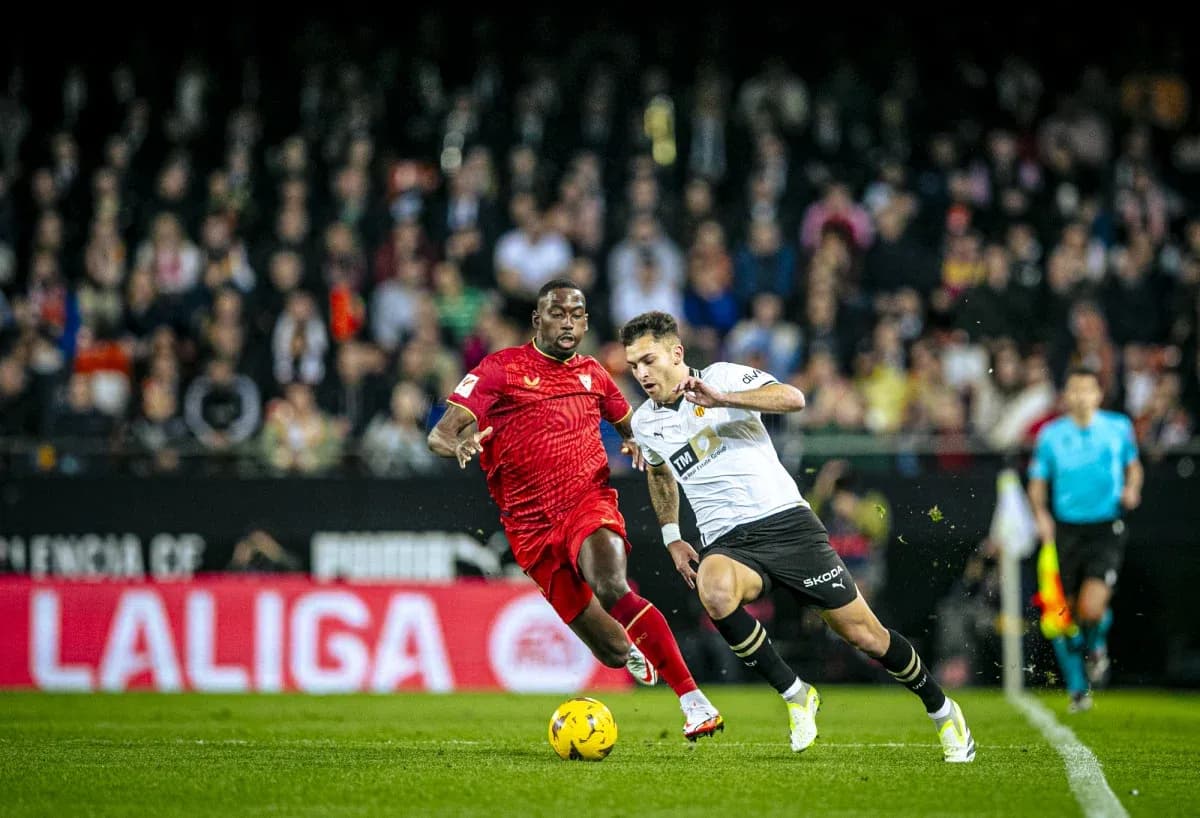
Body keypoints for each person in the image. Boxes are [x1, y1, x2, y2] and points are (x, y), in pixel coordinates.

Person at [620, 310, 974, 762]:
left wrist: (724, 397)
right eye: (633, 366)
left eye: (649, 360)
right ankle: (795, 692)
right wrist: (672, 535)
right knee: (713, 587)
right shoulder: (647, 422)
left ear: (676, 352)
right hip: (729, 542)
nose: (642, 373)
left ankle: (942, 710)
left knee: (867, 636)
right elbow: (658, 473)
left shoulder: (722, 376)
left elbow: (794, 398)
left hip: (786, 524)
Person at [427, 279, 723, 741]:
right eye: (558, 313)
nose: (568, 322)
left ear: (585, 321)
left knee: (611, 584)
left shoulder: (595, 374)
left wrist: (634, 439)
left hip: (588, 501)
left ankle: (693, 700)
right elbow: (439, 434)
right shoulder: (500, 370)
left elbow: (631, 422)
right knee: (609, 649)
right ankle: (629, 647)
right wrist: (459, 442)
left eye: (577, 314)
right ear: (537, 320)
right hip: (529, 530)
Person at [1027, 366, 1142, 713]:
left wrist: (1132, 488)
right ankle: (1079, 688)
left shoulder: (1118, 428)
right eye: (1073, 390)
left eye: (1086, 390)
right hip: (1066, 530)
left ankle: (1096, 648)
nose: (1079, 396)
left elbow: (1133, 466)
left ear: (1098, 394)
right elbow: (1037, 482)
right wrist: (1041, 515)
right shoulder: (1050, 435)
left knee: (1092, 607)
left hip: (1105, 527)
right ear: (1065, 395)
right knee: (1065, 613)